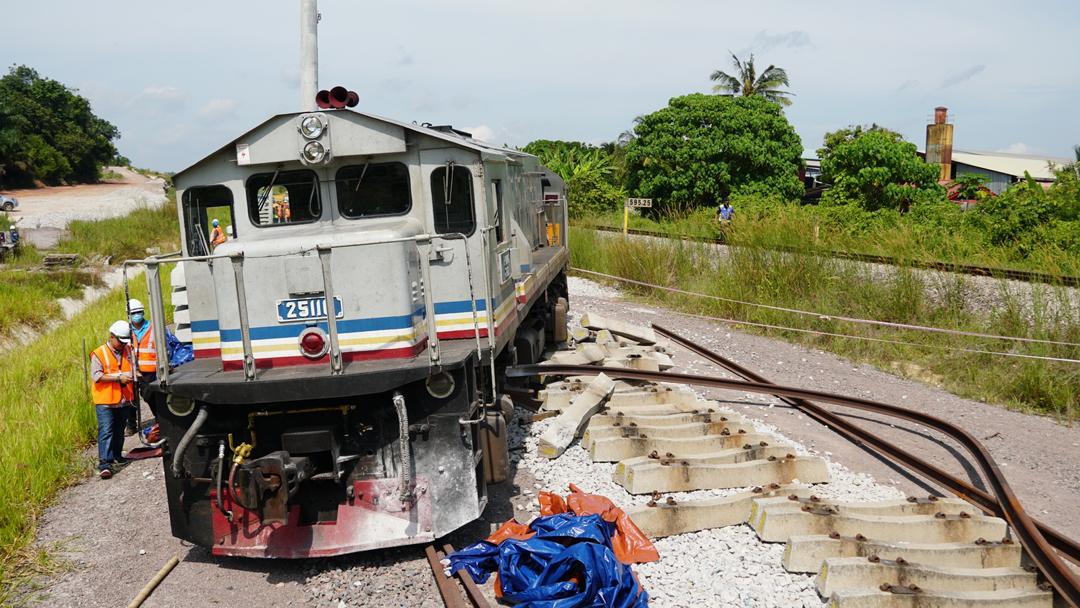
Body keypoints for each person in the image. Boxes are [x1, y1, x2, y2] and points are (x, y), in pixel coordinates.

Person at [90, 321, 135, 479]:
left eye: (125, 342)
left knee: (119, 430)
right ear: (112, 337)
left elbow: (132, 368)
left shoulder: (128, 349)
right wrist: (118, 378)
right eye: (120, 342)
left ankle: (117, 456)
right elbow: (97, 376)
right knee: (106, 431)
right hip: (105, 400)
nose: (123, 345)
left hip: (123, 399)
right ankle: (105, 464)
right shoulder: (99, 353)